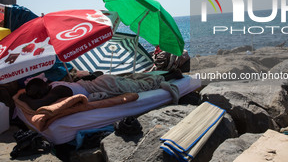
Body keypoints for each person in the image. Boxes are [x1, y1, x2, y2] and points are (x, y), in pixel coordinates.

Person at [19, 69, 183, 110]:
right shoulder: (55, 84)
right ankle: (167, 72)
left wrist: (22, 98)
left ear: (43, 89)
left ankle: (171, 75)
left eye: (37, 93)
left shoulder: (58, 91)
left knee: (145, 85)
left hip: (107, 85)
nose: (38, 96)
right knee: (135, 79)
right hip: (102, 81)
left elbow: (37, 105)